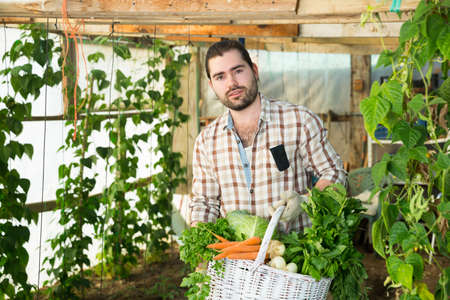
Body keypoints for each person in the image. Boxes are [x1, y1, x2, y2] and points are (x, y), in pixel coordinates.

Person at [190, 39, 346, 233]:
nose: (232, 83)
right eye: (220, 77)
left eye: (238, 71)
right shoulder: (206, 141)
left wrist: (306, 201)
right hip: (237, 258)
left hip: (295, 256)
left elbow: (334, 174)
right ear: (212, 85)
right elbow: (205, 202)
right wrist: (199, 243)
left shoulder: (299, 120)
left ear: (254, 70)